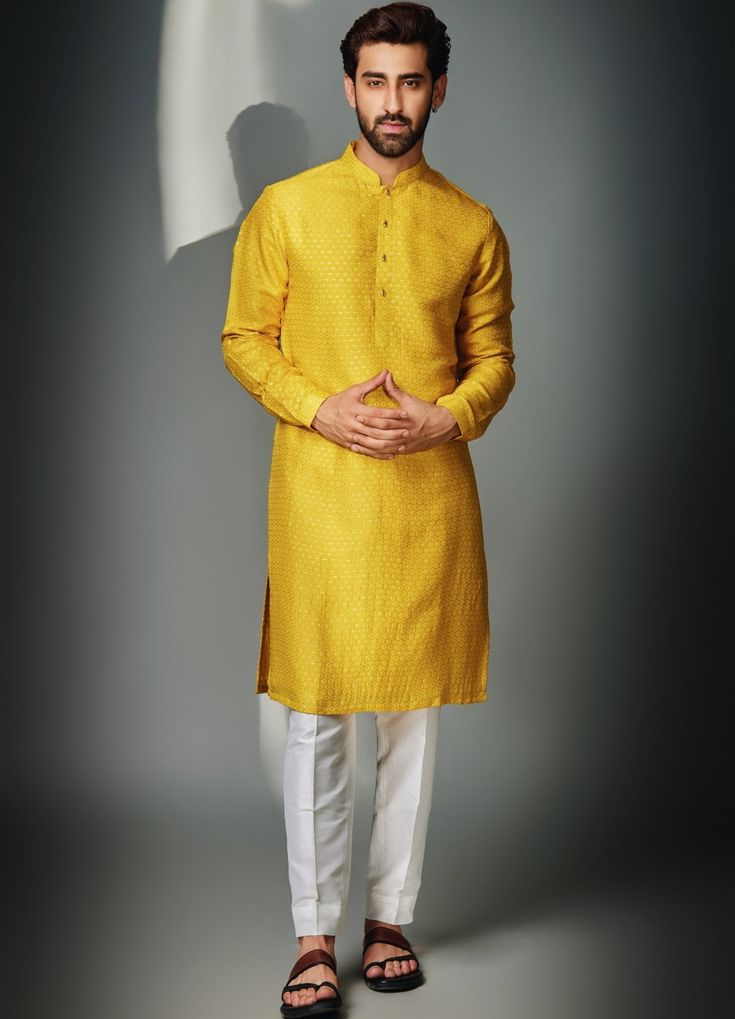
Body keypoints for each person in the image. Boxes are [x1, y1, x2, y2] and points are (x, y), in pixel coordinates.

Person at [220, 3, 515, 1015]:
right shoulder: (287, 209)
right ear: (349, 88)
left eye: (411, 81)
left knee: (411, 720)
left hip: (428, 495)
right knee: (315, 715)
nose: (394, 102)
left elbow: (495, 359)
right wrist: (320, 407)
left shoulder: (471, 224)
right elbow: (245, 337)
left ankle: (389, 918)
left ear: (439, 90)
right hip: (320, 492)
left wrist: (448, 417)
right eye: (377, 81)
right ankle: (313, 934)